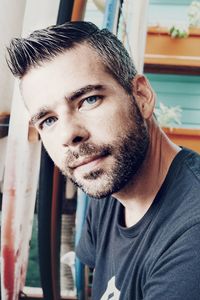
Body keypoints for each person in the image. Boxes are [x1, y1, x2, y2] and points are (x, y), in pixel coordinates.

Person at [7, 21, 200, 300]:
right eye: (49, 120)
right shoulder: (110, 184)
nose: (69, 134)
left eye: (89, 100)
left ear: (142, 96)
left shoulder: (191, 238)